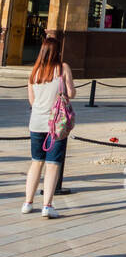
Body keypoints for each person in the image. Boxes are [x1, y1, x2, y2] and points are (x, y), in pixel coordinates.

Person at [23, 35, 76, 219]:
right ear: (57, 52)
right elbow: (71, 93)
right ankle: (47, 205)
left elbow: (32, 100)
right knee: (53, 164)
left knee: (36, 161)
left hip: (36, 122)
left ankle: (28, 202)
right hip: (56, 124)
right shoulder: (63, 68)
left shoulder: (34, 71)